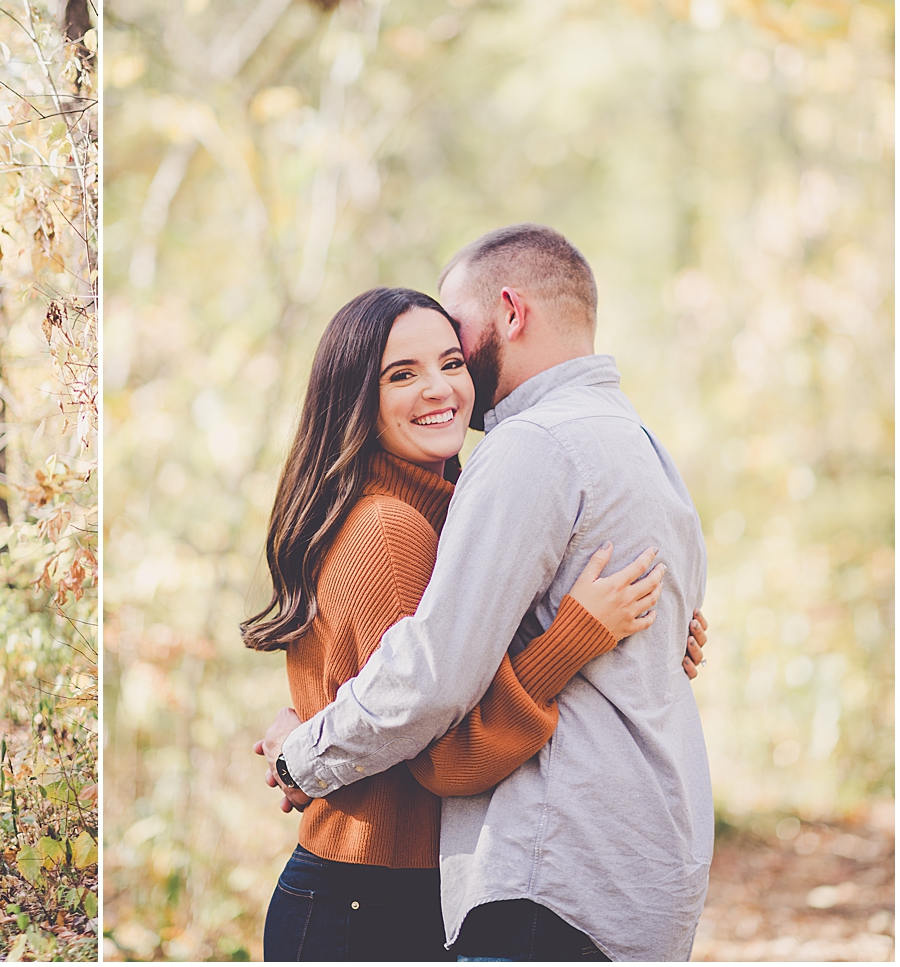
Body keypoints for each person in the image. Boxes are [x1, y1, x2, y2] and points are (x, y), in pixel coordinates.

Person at [260, 225, 713, 962]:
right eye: (402, 373)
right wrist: (301, 753)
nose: (446, 381)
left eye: (453, 350)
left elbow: (431, 685)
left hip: (531, 876)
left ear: (509, 311)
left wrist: (302, 749)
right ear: (360, 397)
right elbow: (433, 719)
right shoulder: (634, 441)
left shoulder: (514, 461)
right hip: (368, 892)